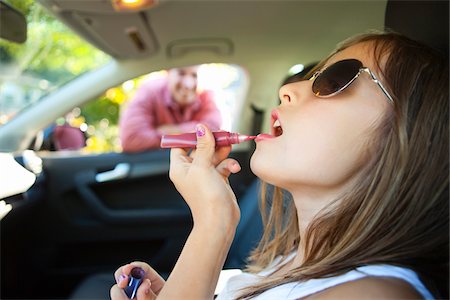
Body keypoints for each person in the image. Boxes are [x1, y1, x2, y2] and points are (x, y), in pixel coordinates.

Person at [110, 32, 448, 299]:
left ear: (408, 135)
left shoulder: (376, 295)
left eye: (334, 79)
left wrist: (213, 225)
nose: (287, 89)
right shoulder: (292, 262)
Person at [119, 65, 222, 152]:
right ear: (168, 73)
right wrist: (191, 132)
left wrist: (171, 131)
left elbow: (214, 132)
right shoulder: (150, 91)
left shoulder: (205, 96)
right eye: (181, 73)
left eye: (194, 75)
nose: (188, 84)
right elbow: (132, 139)